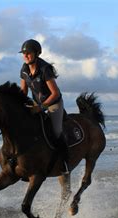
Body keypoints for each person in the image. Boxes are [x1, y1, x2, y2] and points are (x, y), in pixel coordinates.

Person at [19, 39, 69, 175]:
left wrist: (41, 107)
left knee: (57, 132)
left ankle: (64, 163)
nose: (26, 56)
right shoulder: (24, 69)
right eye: (24, 54)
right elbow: (23, 91)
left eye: (28, 53)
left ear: (37, 53)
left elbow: (55, 93)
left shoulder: (45, 69)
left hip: (53, 103)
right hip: (37, 103)